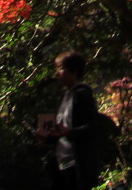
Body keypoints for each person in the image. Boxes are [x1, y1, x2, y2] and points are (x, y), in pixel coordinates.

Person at [36, 51, 99, 190]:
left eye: (61, 68)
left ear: (74, 71)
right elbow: (62, 131)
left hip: (77, 163)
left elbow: (92, 128)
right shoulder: (65, 96)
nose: (57, 73)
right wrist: (46, 138)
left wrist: (69, 132)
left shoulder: (82, 94)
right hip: (61, 163)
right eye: (56, 69)